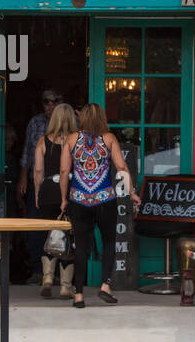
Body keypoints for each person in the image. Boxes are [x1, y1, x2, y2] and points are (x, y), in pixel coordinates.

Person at [59, 103, 139, 308]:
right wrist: (131, 193)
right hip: (105, 199)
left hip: (78, 199)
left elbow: (63, 172)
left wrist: (63, 199)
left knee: (81, 247)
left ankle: (78, 295)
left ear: (82, 118)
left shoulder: (71, 140)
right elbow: (121, 167)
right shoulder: (109, 138)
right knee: (110, 242)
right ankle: (105, 285)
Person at [33, 102, 78, 297]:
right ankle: (66, 285)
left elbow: (38, 170)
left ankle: (48, 277)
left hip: (48, 191)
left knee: (51, 235)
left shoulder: (43, 141)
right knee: (68, 236)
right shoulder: (77, 141)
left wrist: (37, 192)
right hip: (71, 191)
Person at [17, 89, 63, 281]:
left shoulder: (69, 123)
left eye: (54, 101)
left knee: (61, 228)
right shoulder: (35, 123)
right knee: (36, 227)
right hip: (39, 183)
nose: (50, 106)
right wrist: (22, 178)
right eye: (46, 102)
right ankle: (39, 270)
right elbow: (27, 152)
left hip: (61, 184)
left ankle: (60, 272)